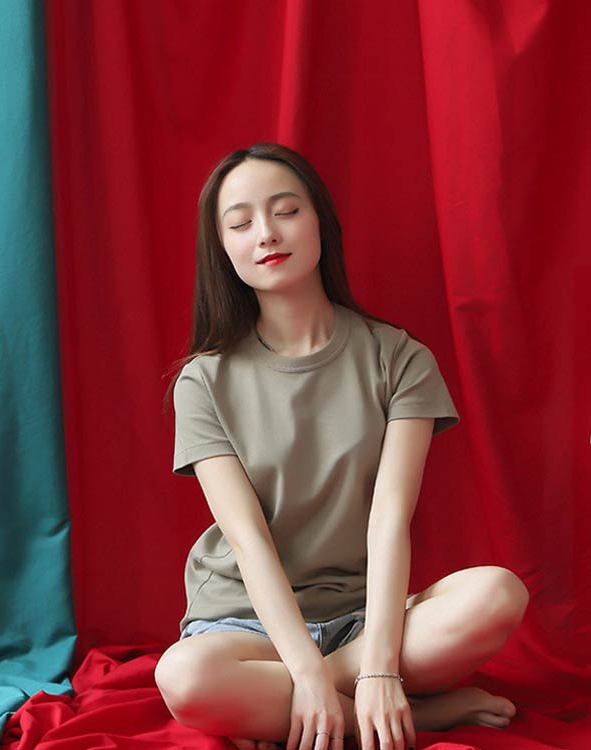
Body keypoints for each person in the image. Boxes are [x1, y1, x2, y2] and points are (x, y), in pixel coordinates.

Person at [154, 143, 529, 750]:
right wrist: (302, 670)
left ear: (320, 223)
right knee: (184, 677)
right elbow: (248, 540)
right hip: (246, 625)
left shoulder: (400, 358)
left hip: (364, 616)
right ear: (221, 249)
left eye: (286, 211)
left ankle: (289, 710)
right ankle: (415, 717)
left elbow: (389, 519)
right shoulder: (203, 382)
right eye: (241, 223)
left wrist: (379, 666)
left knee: (498, 593)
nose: (267, 234)